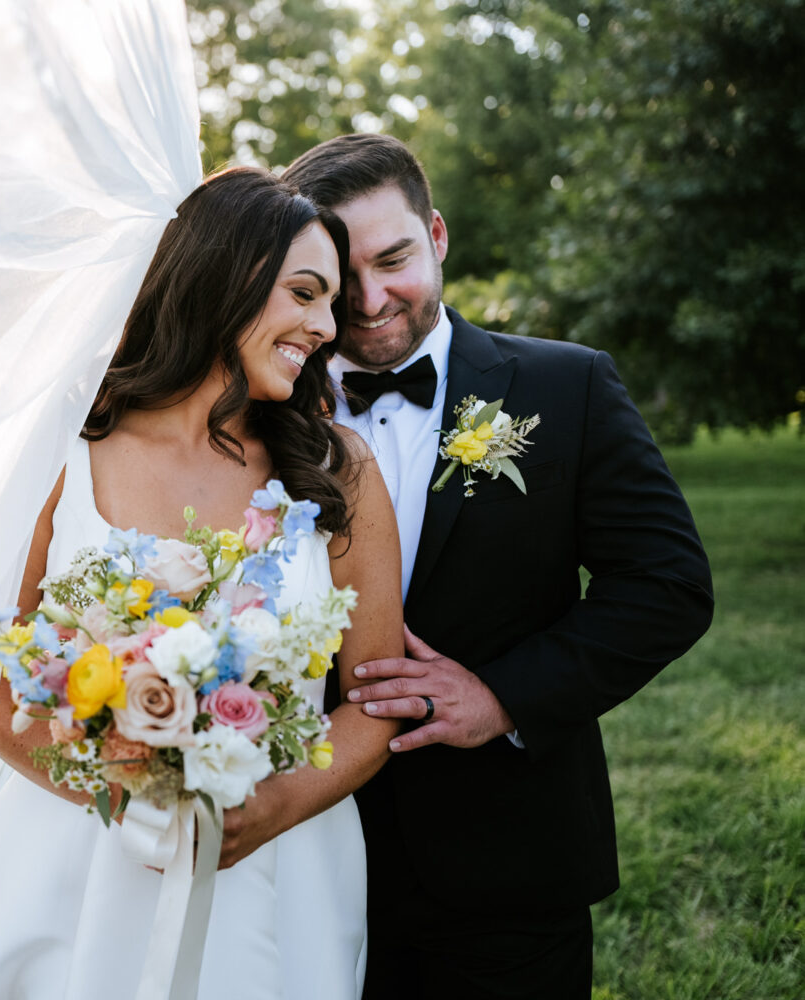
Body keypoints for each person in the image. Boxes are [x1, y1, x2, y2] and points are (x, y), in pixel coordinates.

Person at [0, 166, 403, 999]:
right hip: (68, 854)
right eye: (305, 292)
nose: (326, 326)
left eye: (329, 303)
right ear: (225, 275)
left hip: (276, 871)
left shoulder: (337, 470)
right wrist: (127, 789)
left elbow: (376, 698)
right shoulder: (62, 450)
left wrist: (273, 807)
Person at [278, 134, 714, 999]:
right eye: (339, 273)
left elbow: (666, 586)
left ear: (436, 237)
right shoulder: (261, 403)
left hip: (507, 858)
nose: (368, 301)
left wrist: (504, 696)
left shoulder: (568, 386)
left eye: (394, 258)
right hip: (303, 846)